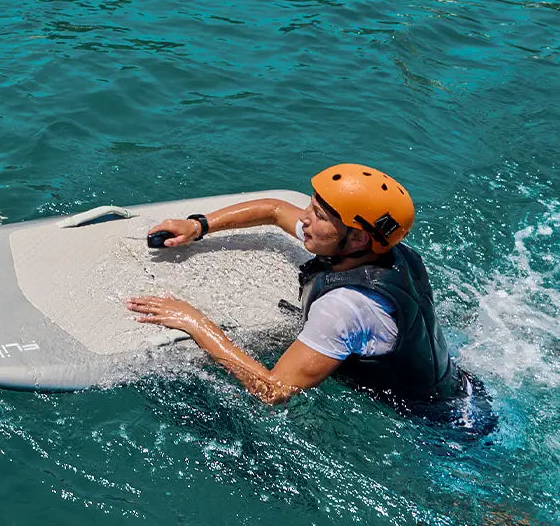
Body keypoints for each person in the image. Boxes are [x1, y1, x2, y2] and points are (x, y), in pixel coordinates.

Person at [127, 164, 493, 434]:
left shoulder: (346, 308)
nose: (303, 217)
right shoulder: (388, 250)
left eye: (318, 215)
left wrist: (197, 323)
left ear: (357, 238)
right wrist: (198, 226)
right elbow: (273, 210)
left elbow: (272, 389)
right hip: (467, 389)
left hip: (440, 430)